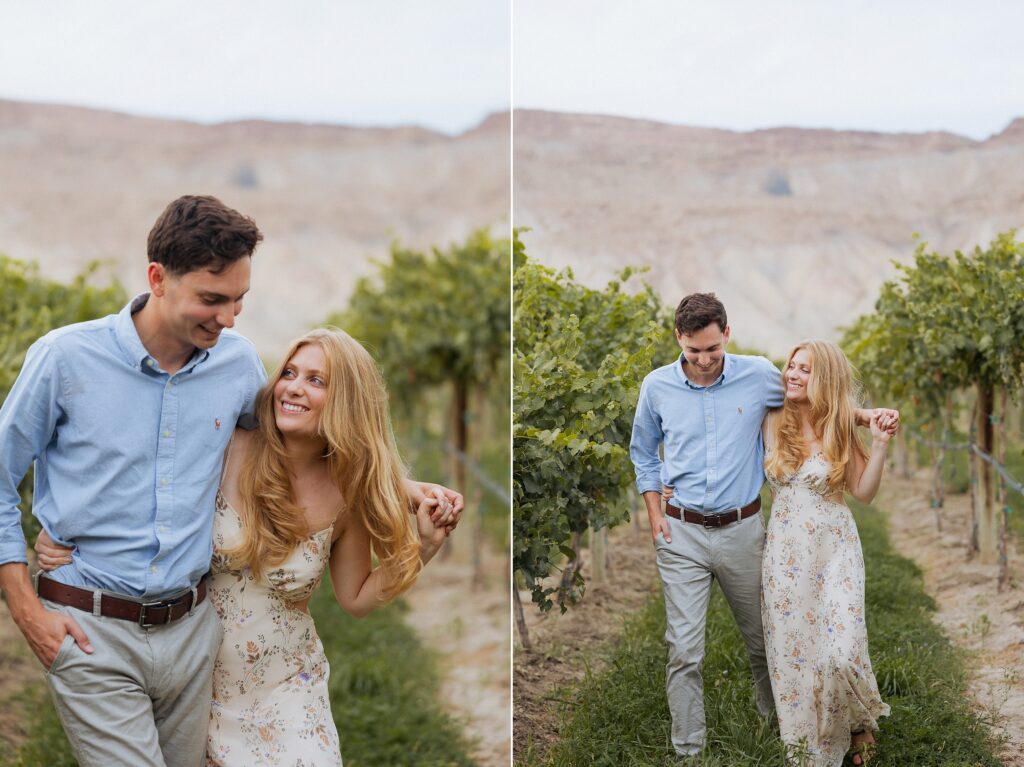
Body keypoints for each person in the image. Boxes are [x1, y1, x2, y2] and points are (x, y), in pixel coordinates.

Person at [0, 195, 461, 767]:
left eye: (240, 301)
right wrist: (24, 604)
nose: (229, 318)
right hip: (91, 623)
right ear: (157, 279)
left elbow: (316, 440)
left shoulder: (237, 364)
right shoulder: (65, 358)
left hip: (193, 636)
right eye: (213, 300)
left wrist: (403, 489)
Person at [41, 328, 456, 765]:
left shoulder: (346, 494)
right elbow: (140, 478)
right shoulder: (226, 448)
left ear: (346, 402)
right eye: (290, 373)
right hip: (192, 677)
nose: (293, 387)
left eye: (316, 380)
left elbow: (355, 599)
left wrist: (422, 548)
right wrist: (66, 528)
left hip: (288, 685)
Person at [630, 292, 895, 760]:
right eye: (694, 351)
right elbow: (644, 452)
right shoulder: (657, 387)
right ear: (679, 340)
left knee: (764, 644)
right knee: (685, 650)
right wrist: (656, 507)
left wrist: (867, 418)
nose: (705, 360)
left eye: (713, 349)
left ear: (726, 335)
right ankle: (688, 749)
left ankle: (785, 725)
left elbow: (819, 400)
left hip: (749, 531)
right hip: (685, 532)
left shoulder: (757, 377)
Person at [760, 340, 891, 766]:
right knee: (796, 652)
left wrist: (880, 441)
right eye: (791, 365)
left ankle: (857, 720)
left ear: (825, 380)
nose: (793, 374)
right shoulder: (771, 417)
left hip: (835, 552)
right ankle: (819, 739)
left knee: (841, 648)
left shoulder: (838, 427)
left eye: (805, 370)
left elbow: (864, 493)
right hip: (785, 556)